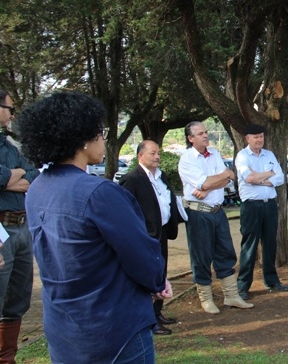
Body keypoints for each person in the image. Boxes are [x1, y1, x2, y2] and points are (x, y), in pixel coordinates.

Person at [19, 92, 171, 363]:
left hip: (63, 329)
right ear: (82, 138)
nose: (104, 139)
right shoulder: (100, 193)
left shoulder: (37, 189)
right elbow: (142, 256)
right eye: (100, 132)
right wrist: (157, 281)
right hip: (114, 328)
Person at [178, 121, 253, 313]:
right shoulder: (187, 158)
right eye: (200, 133)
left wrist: (212, 183)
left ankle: (231, 295)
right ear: (190, 138)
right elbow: (203, 183)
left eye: (206, 132)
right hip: (198, 213)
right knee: (201, 255)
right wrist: (215, 180)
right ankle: (206, 298)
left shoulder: (215, 154)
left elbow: (229, 178)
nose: (205, 135)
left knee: (225, 252)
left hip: (218, 211)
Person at [119, 140, 183, 335]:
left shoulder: (160, 176)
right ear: (140, 156)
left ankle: (157, 312)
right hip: (144, 235)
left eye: (158, 153)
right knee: (147, 275)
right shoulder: (132, 179)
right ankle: (149, 320)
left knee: (160, 272)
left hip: (161, 232)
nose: (157, 157)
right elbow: (125, 210)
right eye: (152, 153)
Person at [0, 90, 39, 363]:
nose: (12, 114)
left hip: (22, 226)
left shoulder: (12, 144)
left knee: (17, 300)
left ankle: (7, 357)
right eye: (8, 108)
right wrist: (11, 175)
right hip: (0, 228)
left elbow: (34, 174)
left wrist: (10, 177)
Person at [234, 124, 288, 300]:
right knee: (249, 246)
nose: (259, 139)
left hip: (269, 205)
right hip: (251, 206)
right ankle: (243, 286)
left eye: (261, 136)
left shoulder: (269, 155)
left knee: (270, 244)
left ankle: (272, 281)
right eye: (255, 136)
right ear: (247, 138)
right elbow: (248, 178)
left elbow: (280, 178)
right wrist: (269, 174)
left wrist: (261, 177)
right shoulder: (242, 157)